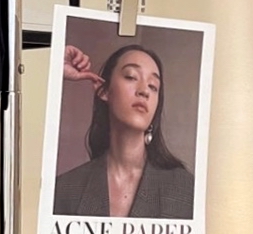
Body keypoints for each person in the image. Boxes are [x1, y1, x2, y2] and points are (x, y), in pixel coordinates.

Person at [53, 42, 194, 219]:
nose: (144, 91)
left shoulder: (185, 189)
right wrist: (53, 67)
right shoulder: (64, 190)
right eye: (131, 76)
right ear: (104, 91)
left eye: (153, 86)